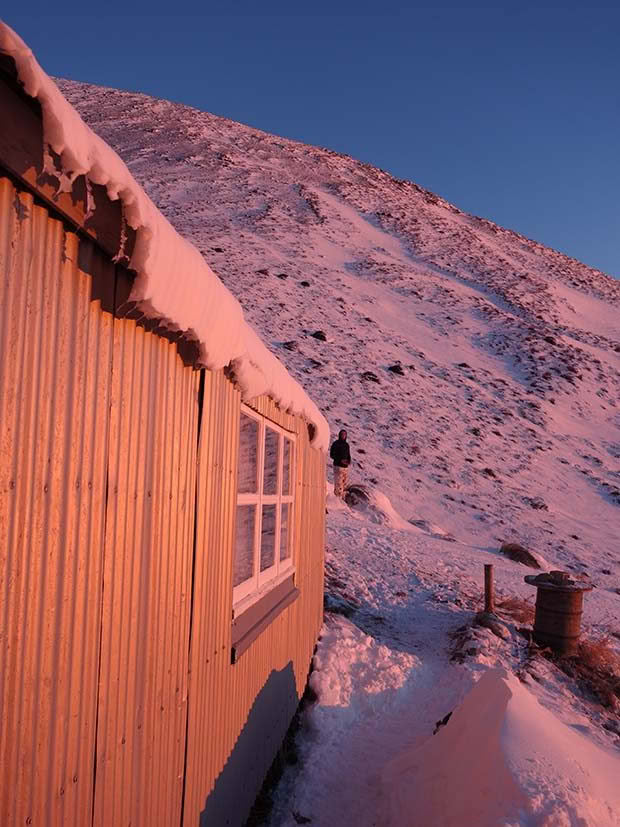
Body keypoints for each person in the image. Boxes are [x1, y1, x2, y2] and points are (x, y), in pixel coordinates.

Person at [330, 429, 351, 499]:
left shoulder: (346, 445)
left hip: (345, 467)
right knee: (338, 484)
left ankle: (342, 499)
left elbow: (348, 455)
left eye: (345, 434)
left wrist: (349, 461)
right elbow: (332, 455)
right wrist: (340, 460)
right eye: (342, 434)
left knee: (344, 484)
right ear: (339, 435)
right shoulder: (336, 444)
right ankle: (337, 500)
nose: (343, 435)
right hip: (338, 467)